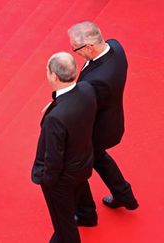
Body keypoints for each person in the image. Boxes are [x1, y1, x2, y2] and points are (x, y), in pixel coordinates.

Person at [68, 21, 139, 226]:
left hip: (95, 131)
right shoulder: (115, 46)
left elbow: (84, 110)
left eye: (75, 48)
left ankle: (85, 213)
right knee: (99, 158)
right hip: (111, 122)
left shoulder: (97, 82)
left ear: (89, 47)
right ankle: (124, 196)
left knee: (75, 168)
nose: (75, 52)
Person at [31, 52, 97, 243]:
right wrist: (57, 103)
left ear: (54, 76)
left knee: (63, 221)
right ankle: (87, 215)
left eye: (47, 70)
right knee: (81, 187)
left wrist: (48, 181)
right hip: (84, 161)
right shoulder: (87, 88)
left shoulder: (55, 118)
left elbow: (53, 157)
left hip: (63, 176)